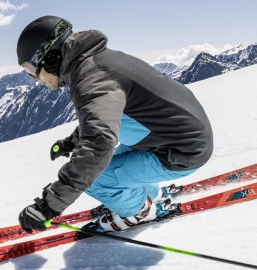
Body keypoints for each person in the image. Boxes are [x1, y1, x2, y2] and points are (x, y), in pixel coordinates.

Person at [15, 15, 213, 233]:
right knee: (107, 163)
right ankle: (149, 194)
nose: (35, 79)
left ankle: (140, 212)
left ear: (49, 56)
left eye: (30, 69)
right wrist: (71, 143)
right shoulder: (96, 62)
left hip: (182, 151)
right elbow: (105, 117)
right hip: (178, 137)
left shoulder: (92, 78)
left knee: (97, 177)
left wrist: (49, 206)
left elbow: (98, 143)